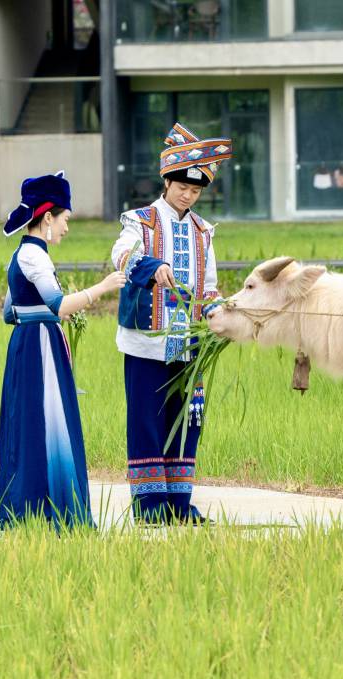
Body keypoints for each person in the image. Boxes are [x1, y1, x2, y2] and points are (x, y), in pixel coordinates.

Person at [109, 123, 233, 524]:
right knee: (147, 421)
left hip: (188, 347)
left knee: (186, 422)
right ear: (167, 180)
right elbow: (121, 257)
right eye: (182, 187)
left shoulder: (203, 231)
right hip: (147, 343)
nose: (188, 195)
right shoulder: (140, 221)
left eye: (195, 191)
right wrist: (153, 266)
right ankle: (149, 507)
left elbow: (209, 287)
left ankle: (179, 505)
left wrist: (217, 315)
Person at [0, 171, 126, 530]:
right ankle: (54, 511)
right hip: (40, 350)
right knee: (48, 423)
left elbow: (8, 313)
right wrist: (104, 287)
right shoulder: (36, 257)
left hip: (26, 346)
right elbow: (58, 306)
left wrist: (33, 316)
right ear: (47, 217)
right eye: (65, 218)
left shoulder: (20, 254)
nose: (67, 227)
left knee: (28, 423)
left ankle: (26, 509)